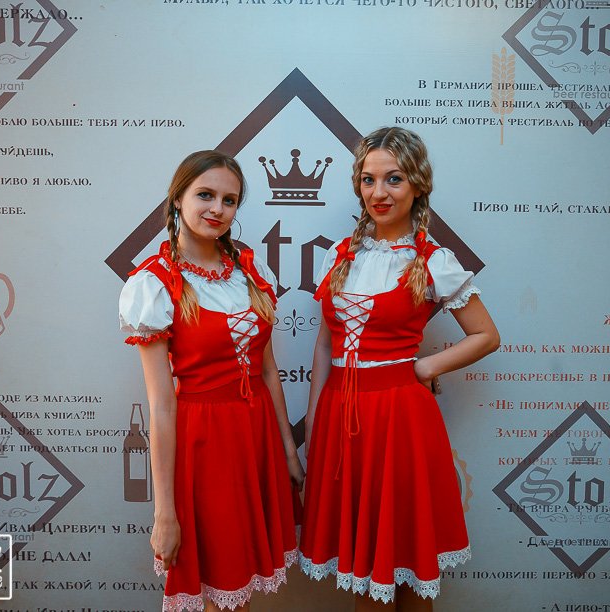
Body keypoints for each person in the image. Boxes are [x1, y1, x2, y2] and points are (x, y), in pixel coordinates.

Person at [298, 127, 500, 611]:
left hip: (400, 422)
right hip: (341, 419)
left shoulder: (432, 260)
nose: (379, 193)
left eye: (393, 179)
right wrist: (316, 419)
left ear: (417, 184)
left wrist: (424, 366)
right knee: (363, 568)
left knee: (403, 566)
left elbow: (486, 335)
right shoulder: (339, 256)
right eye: (368, 180)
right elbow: (324, 345)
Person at [118, 150, 304, 612]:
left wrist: (287, 451)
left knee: (243, 590)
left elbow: (267, 370)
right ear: (177, 198)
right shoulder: (154, 283)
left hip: (257, 436)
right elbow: (162, 406)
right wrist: (165, 512)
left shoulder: (249, 269)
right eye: (205, 195)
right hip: (204, 444)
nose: (217, 209)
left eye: (229, 200)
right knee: (222, 590)